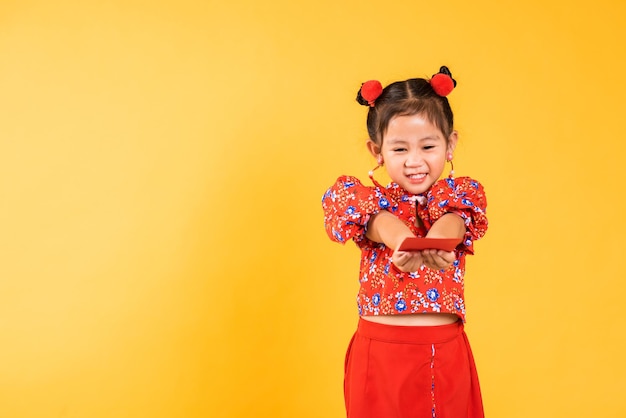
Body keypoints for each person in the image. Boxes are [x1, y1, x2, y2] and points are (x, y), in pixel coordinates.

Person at [321, 66, 488, 418]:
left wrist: (438, 240)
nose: (415, 161)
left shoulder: (458, 196)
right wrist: (399, 236)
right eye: (399, 149)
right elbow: (371, 220)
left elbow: (454, 223)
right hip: (380, 357)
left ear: (450, 144)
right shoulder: (369, 201)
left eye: (428, 146)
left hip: (444, 355)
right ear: (377, 150)